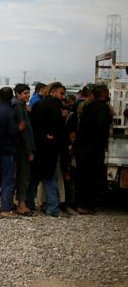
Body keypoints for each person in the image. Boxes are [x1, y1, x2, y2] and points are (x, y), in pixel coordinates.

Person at [28, 82, 69, 217]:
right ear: (53, 92)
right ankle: (53, 207)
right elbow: (58, 128)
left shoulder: (38, 105)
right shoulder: (55, 106)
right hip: (50, 149)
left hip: (37, 147)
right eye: (61, 93)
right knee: (50, 178)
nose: (63, 97)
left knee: (35, 178)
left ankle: (30, 205)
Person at [75, 84, 112, 214]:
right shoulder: (103, 108)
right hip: (94, 149)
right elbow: (100, 128)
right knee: (92, 177)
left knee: (83, 176)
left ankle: (82, 204)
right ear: (103, 92)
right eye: (107, 92)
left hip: (83, 147)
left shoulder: (88, 106)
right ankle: (87, 204)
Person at [0, 87, 20, 218]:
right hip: (9, 149)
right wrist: (21, 127)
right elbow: (13, 131)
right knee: (8, 179)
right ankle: (6, 208)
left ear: (0, 96)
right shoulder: (11, 111)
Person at [12, 84, 35, 216]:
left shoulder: (18, 105)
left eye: (28, 93)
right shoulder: (19, 106)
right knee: (23, 176)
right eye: (25, 93)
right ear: (18, 94)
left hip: (18, 147)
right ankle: (21, 204)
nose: (27, 96)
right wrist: (29, 151)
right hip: (22, 148)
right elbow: (24, 131)